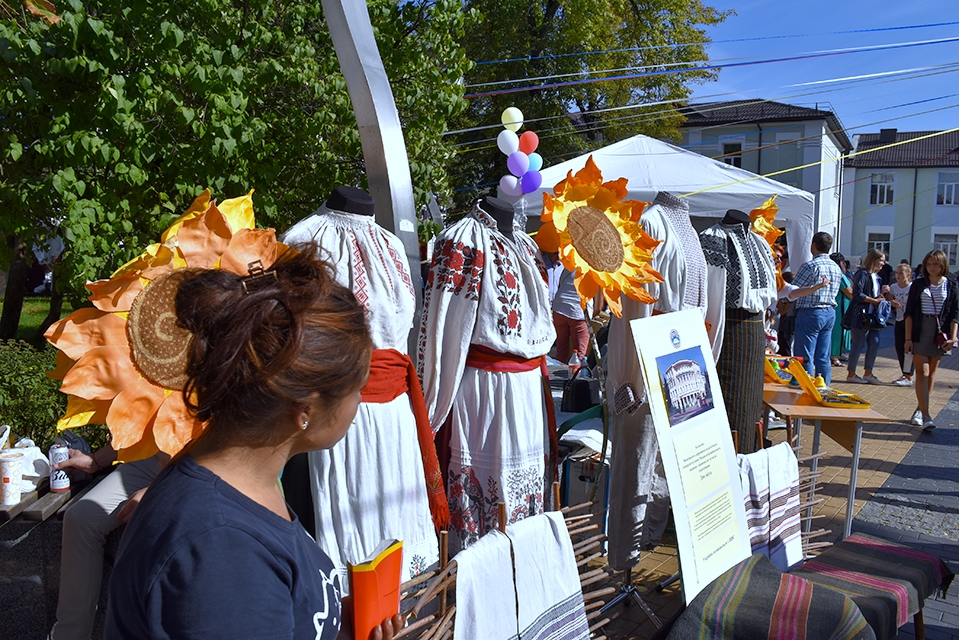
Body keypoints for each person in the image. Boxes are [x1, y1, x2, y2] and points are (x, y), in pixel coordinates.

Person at [105, 244, 402, 639]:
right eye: (357, 389)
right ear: (305, 410)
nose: (359, 404)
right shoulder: (223, 554)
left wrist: (328, 624)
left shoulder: (236, 487)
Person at [51, 449, 166, 640]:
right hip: (152, 459)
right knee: (81, 519)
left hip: (206, 468)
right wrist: (95, 460)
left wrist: (161, 490)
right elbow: (139, 424)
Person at [904, 250, 959, 430]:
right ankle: (926, 415)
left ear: (943, 265)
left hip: (939, 333)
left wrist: (953, 336)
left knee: (933, 372)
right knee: (923, 372)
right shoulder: (919, 284)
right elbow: (909, 313)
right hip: (921, 330)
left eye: (936, 264)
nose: (932, 268)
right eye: (928, 264)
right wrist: (908, 338)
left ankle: (920, 410)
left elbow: (955, 314)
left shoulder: (950, 284)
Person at [789, 232, 843, 385]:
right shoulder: (836, 267)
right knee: (823, 355)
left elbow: (794, 290)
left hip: (810, 311)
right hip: (829, 312)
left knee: (805, 354)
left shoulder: (810, 266)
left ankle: (803, 383)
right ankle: (823, 385)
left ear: (813, 245)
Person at [844, 249, 888, 385]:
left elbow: (872, 294)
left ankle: (868, 373)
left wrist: (881, 296)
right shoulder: (862, 274)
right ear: (873, 259)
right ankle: (851, 374)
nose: (883, 263)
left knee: (874, 342)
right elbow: (858, 294)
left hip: (873, 316)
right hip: (861, 315)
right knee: (858, 343)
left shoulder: (877, 277)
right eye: (881, 260)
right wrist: (874, 301)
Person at [553, 265, 591, 364]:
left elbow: (561, 283)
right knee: (580, 354)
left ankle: (556, 375)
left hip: (559, 307)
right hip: (577, 310)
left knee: (561, 351)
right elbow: (598, 304)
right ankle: (576, 376)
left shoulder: (571, 265)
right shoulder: (594, 270)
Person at [888, 263, 914, 386]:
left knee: (909, 348)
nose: (898, 275)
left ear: (908, 275)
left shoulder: (912, 287)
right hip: (899, 320)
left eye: (901, 273)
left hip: (911, 320)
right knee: (899, 347)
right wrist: (892, 302)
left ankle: (909, 375)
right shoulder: (893, 287)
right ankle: (905, 373)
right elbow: (888, 299)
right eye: (896, 273)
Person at [829, 253, 852, 367]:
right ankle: (834, 355)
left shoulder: (841, 275)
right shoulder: (840, 276)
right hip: (840, 306)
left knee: (842, 331)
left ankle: (839, 352)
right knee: (838, 332)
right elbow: (849, 292)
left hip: (844, 306)